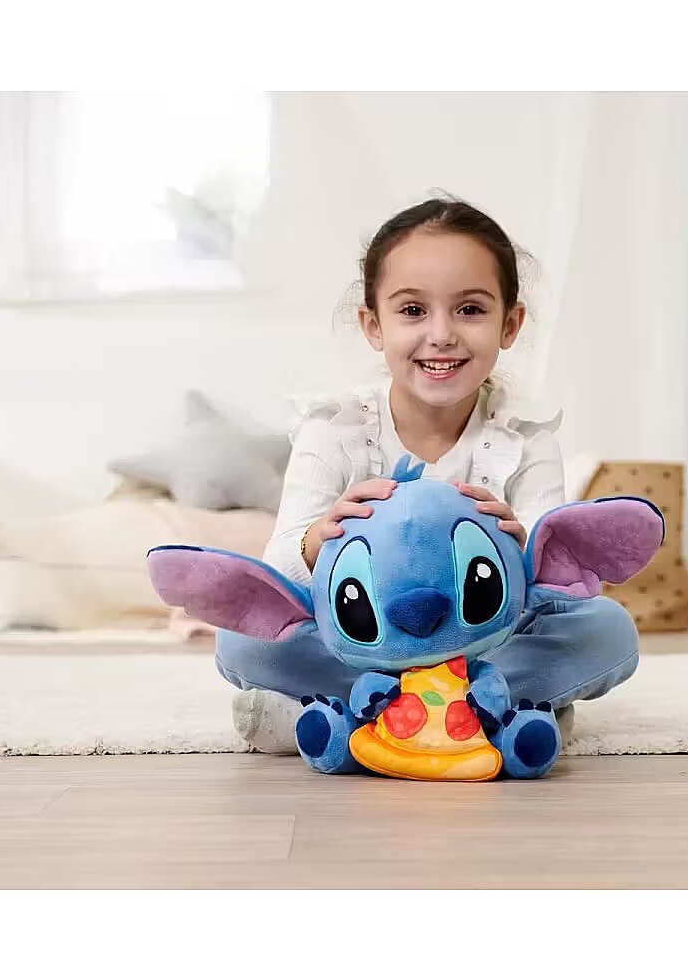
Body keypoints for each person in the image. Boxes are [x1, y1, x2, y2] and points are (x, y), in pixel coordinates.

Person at [220, 197, 640, 754]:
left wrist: (522, 549)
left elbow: (554, 587)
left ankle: (367, 715)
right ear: (373, 325)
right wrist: (318, 538)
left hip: (480, 644)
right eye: (413, 310)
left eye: (470, 309)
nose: (441, 334)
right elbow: (277, 567)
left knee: (609, 631)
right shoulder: (335, 429)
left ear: (510, 324)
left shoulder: (524, 437)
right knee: (241, 641)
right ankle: (484, 713)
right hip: (365, 643)